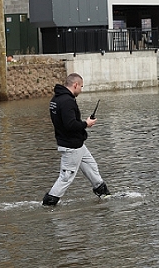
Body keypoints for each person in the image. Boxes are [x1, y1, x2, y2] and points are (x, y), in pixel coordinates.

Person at [42, 73, 110, 206]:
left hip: (76, 144)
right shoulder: (67, 101)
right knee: (66, 177)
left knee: (92, 167)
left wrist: (83, 125)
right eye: (81, 87)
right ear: (75, 85)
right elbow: (70, 125)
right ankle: (49, 203)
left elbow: (65, 123)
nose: (81, 90)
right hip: (71, 146)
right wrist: (86, 124)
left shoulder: (56, 99)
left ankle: (104, 194)